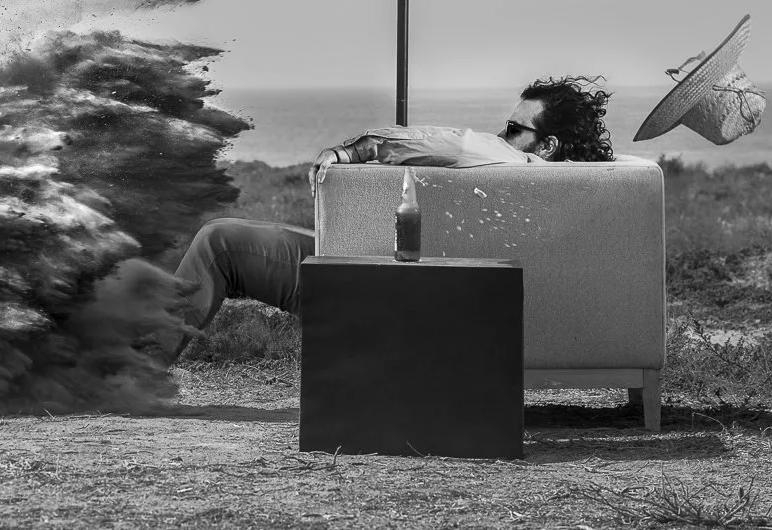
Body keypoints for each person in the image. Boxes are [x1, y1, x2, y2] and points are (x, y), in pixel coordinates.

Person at [168, 76, 613, 355]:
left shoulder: (509, 162)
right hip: (436, 299)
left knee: (219, 243)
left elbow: (432, 142)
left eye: (514, 129)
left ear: (548, 145)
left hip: (380, 291)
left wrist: (352, 150)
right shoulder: (587, 191)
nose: (502, 135)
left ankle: (133, 368)